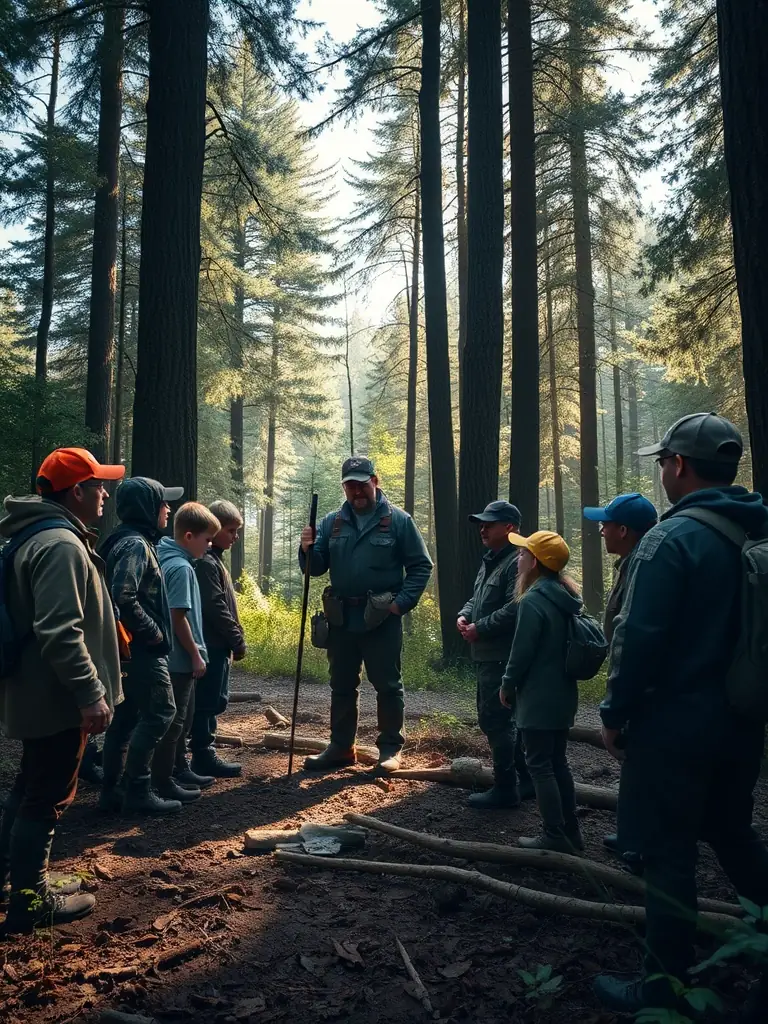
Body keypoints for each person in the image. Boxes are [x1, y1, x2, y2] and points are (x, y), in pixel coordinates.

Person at [594, 413, 768, 1013]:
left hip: (673, 730)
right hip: (742, 723)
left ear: (680, 466)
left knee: (668, 855)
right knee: (731, 833)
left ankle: (664, 986)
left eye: (664, 461)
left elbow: (637, 639)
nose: (663, 470)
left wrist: (615, 713)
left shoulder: (671, 541)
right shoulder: (754, 533)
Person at [0, 447, 124, 933]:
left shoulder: (35, 534)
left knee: (29, 785)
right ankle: (30, 901)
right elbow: (59, 629)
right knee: (47, 795)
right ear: (77, 490)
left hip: (38, 691)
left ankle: (17, 879)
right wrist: (91, 693)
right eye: (98, 485)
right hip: (55, 697)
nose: (104, 493)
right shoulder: (60, 545)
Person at [299, 456, 433, 773]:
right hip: (341, 619)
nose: (357, 490)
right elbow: (315, 568)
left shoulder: (398, 521)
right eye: (350, 485)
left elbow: (421, 566)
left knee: (387, 684)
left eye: (362, 483)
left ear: (375, 481)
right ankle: (341, 748)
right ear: (344, 487)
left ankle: (390, 750)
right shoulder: (331, 523)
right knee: (341, 684)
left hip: (381, 619)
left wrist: (400, 604)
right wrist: (306, 549)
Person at [99, 477, 191, 816]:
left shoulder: (121, 540)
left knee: (124, 719)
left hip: (124, 650)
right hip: (139, 652)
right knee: (161, 712)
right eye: (163, 503)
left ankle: (112, 792)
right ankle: (136, 789)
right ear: (147, 508)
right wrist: (153, 632)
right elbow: (123, 595)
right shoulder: (135, 544)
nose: (168, 509)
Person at [499, 530, 584, 853]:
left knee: (539, 764)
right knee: (557, 762)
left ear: (535, 562)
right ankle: (571, 832)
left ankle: (553, 833)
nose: (518, 559)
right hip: (562, 695)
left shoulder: (534, 600)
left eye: (522, 554)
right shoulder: (565, 596)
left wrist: (507, 685)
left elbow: (521, 652)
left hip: (537, 697)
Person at [583, 492, 657, 858]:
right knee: (635, 763)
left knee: (644, 763)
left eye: (606, 523)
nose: (601, 529)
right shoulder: (630, 563)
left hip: (645, 689)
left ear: (624, 530)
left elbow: (632, 636)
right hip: (636, 684)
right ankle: (632, 835)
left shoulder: (644, 567)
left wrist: (614, 708)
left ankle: (644, 848)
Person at [457, 501, 534, 809]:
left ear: (510, 527)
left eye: (490, 523)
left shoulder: (518, 561)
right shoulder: (492, 560)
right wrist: (464, 615)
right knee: (503, 721)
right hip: (488, 654)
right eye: (481, 523)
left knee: (495, 721)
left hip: (500, 656)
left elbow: (515, 608)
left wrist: (480, 628)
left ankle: (505, 787)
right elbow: (477, 597)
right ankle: (524, 780)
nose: (483, 528)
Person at [155, 503, 221, 801]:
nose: (209, 547)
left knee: (184, 716)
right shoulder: (180, 568)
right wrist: (195, 653)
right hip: (179, 659)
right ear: (189, 535)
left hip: (178, 657)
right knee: (176, 720)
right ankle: (165, 779)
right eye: (207, 540)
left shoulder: (169, 558)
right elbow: (177, 615)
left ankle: (179, 768)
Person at [190, 500, 247, 778]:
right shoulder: (206, 563)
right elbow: (214, 606)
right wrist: (236, 638)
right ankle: (202, 754)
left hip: (217, 644)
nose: (235, 537)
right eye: (231, 530)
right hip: (211, 644)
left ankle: (203, 752)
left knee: (214, 699)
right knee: (207, 701)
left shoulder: (214, 561)